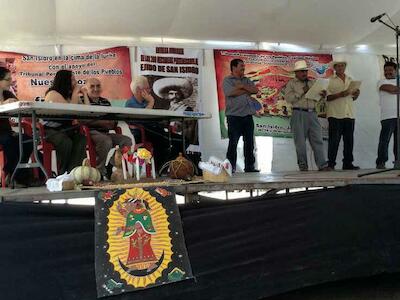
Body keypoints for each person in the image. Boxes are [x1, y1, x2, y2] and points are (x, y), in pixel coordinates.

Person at [125, 76, 182, 171]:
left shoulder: (145, 101)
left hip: (155, 131)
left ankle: (163, 165)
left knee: (183, 140)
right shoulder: (130, 103)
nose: (150, 91)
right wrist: (151, 102)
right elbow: (142, 117)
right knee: (179, 141)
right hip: (145, 133)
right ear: (140, 90)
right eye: (147, 88)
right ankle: (162, 167)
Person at [284, 60, 330, 171]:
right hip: (298, 113)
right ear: (296, 73)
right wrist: (301, 92)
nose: (304, 73)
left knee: (317, 140)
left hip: (313, 113)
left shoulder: (312, 83)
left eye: (305, 71)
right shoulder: (292, 83)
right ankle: (303, 165)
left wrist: (323, 95)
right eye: (301, 71)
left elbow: (317, 99)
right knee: (300, 142)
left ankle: (322, 165)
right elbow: (289, 98)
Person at [84, 78, 132, 179]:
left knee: (127, 141)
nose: (96, 89)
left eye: (98, 86)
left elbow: (113, 119)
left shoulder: (105, 102)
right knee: (106, 141)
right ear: (86, 88)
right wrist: (101, 122)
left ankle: (111, 164)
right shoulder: (82, 100)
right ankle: (98, 171)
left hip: (105, 132)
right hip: (90, 132)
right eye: (92, 86)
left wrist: (111, 124)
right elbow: (83, 121)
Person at [0, 67, 39, 187]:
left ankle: (11, 172)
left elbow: (20, 108)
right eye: (8, 79)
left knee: (28, 140)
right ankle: (19, 177)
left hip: (6, 132)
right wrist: (3, 104)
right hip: (3, 135)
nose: (11, 81)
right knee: (9, 141)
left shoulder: (8, 94)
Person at [43, 70, 88, 175]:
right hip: (50, 130)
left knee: (81, 139)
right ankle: (62, 172)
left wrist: (85, 94)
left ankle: (73, 171)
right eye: (72, 80)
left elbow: (86, 111)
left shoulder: (71, 95)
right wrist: (76, 92)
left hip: (66, 129)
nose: (75, 82)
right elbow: (70, 110)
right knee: (65, 142)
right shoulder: (53, 94)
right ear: (64, 81)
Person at [223, 58, 259, 173]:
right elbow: (230, 93)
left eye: (244, 66)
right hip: (234, 116)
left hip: (247, 116)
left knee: (249, 143)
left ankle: (249, 167)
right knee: (233, 143)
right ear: (234, 67)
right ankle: (230, 168)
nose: (244, 67)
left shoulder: (246, 80)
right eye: (241, 66)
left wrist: (242, 87)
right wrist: (245, 90)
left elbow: (255, 90)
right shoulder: (227, 80)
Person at [326, 60, 360, 170]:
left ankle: (347, 164)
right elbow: (327, 98)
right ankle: (331, 164)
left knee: (349, 141)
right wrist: (341, 94)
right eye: (338, 66)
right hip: (335, 114)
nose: (340, 67)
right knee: (334, 141)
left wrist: (356, 94)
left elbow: (353, 98)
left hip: (349, 114)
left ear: (345, 67)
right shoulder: (329, 81)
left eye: (342, 65)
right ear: (334, 68)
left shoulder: (350, 80)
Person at [376, 61, 400, 169]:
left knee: (398, 141)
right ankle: (381, 162)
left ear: (396, 71)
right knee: (384, 140)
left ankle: (397, 162)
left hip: (399, 116)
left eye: (390, 70)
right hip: (387, 116)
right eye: (385, 70)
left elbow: (395, 89)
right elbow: (391, 89)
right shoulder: (381, 82)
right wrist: (396, 89)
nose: (387, 72)